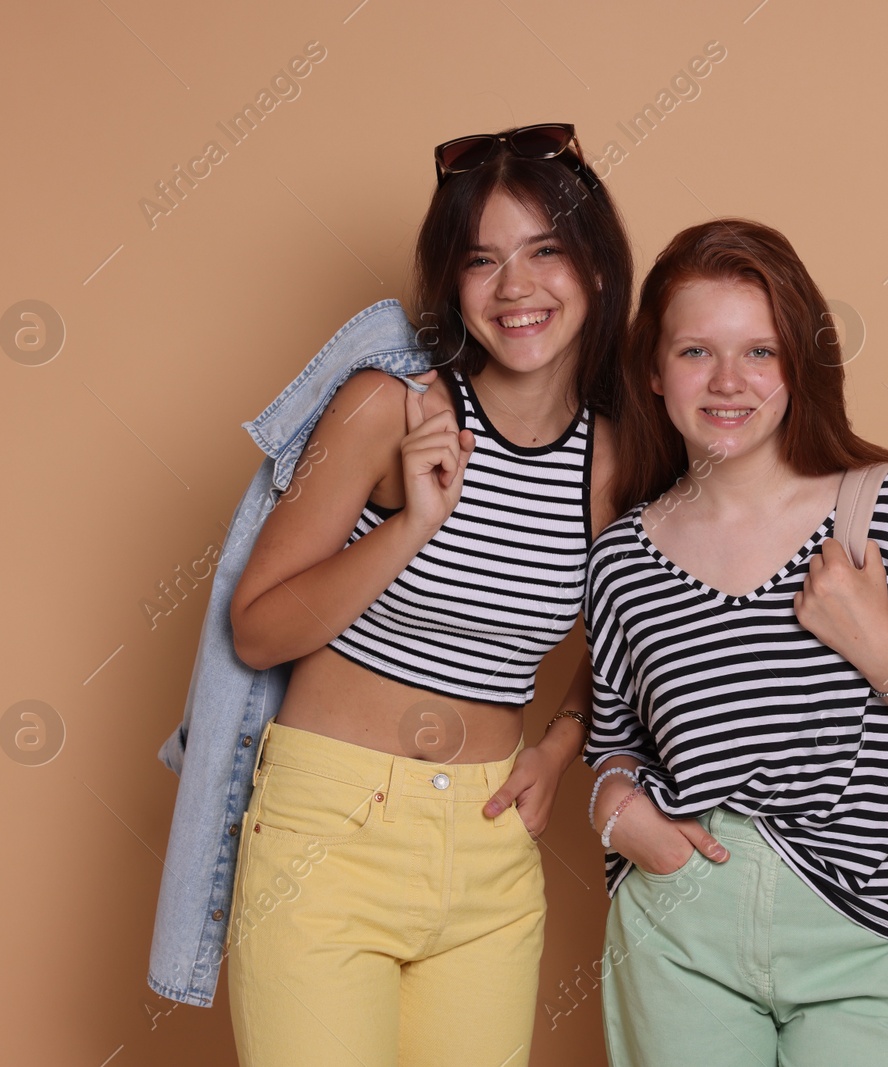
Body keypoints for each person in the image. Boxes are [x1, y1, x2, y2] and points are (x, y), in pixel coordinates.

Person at [223, 123, 644, 1066]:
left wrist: (565, 742)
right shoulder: (389, 407)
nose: (516, 288)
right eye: (482, 260)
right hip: (328, 836)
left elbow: (628, 642)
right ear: (453, 284)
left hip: (490, 851)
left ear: (599, 269)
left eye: (546, 252)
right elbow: (254, 629)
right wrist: (412, 525)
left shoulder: (610, 460)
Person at [584, 219, 888, 1066]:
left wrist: (881, 648)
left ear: (799, 365)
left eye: (760, 351)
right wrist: (617, 814)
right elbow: (615, 744)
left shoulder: (884, 515)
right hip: (680, 923)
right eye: (695, 352)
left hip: (868, 929)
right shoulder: (622, 561)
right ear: (652, 369)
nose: (727, 382)